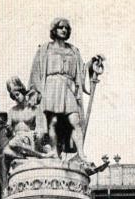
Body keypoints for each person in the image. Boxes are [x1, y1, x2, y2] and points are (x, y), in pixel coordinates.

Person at [29, 18, 90, 162]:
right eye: (61, 27)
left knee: (74, 120)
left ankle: (81, 153)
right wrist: (36, 92)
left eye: (66, 28)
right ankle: (55, 152)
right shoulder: (45, 49)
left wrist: (91, 66)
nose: (64, 30)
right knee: (53, 121)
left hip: (68, 85)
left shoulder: (73, 50)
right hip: (51, 86)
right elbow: (36, 71)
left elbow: (81, 71)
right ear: (54, 30)